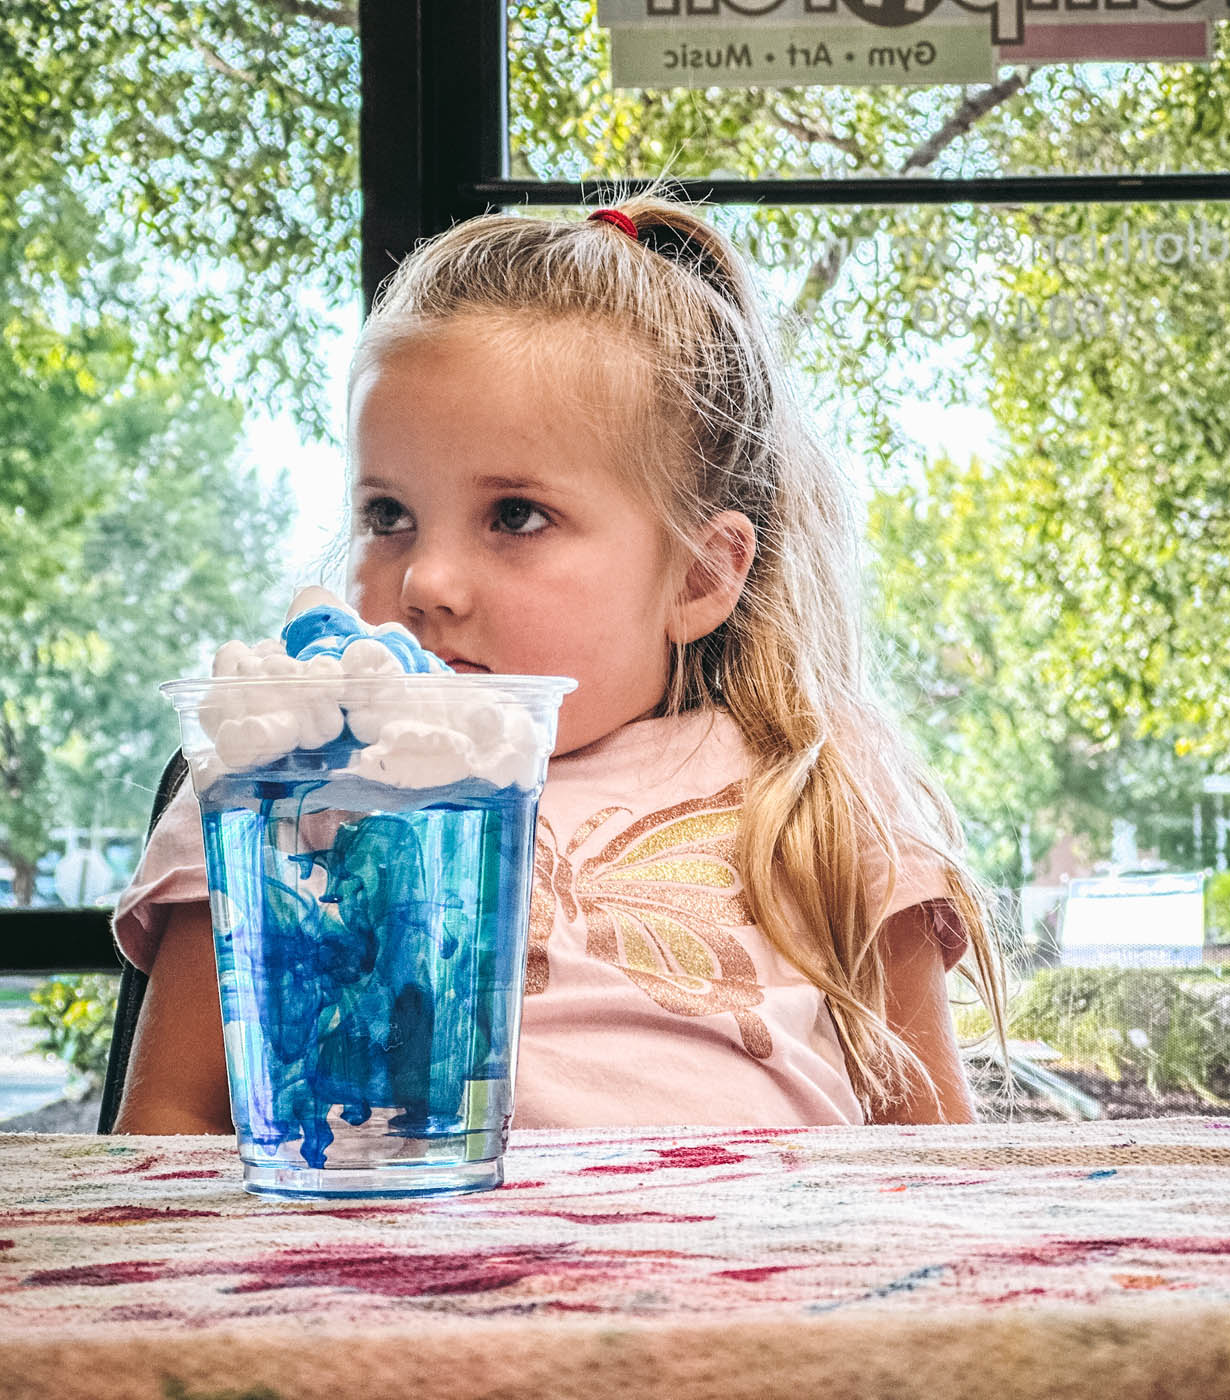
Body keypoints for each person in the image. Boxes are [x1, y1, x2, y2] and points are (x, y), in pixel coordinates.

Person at [112, 194, 1006, 1135]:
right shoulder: (278, 774)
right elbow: (169, 1130)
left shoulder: (816, 784)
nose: (426, 581)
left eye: (515, 517)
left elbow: (935, 1160)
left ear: (700, 576)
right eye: (387, 515)